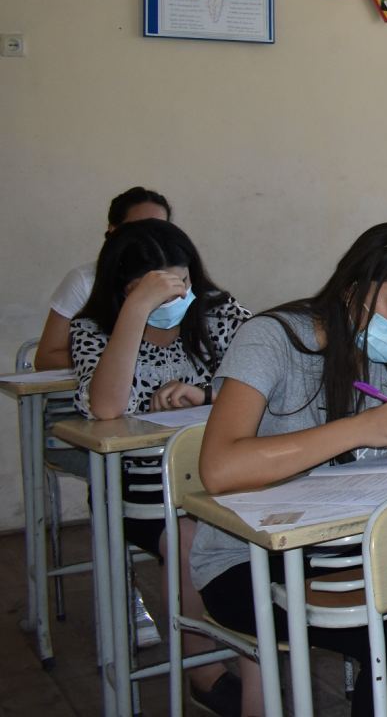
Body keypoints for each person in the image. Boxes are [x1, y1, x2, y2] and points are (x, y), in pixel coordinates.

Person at [193, 221, 387, 717]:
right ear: (352, 289)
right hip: (249, 559)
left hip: (360, 552)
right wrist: (357, 430)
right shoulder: (273, 339)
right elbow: (219, 468)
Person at [71, 218, 250, 711]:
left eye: (180, 284)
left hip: (219, 474)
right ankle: (203, 670)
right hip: (142, 488)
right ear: (122, 289)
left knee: (250, 532)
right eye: (153, 289)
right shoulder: (92, 329)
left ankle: (257, 656)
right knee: (189, 538)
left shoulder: (219, 313)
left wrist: (206, 394)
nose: (172, 299)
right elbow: (105, 406)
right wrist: (135, 312)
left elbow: (267, 379)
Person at [36, 186, 172, 371]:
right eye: (139, 228)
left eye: (161, 229)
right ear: (113, 231)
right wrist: (120, 360)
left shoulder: (178, 279)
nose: (150, 238)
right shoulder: (85, 280)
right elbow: (47, 358)